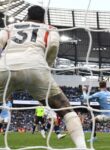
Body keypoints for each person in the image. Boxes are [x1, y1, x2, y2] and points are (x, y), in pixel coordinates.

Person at [0, 5, 86, 149]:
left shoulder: (11, 26)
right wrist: (46, 66)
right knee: (64, 108)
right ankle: (82, 147)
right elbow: (52, 45)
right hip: (35, 66)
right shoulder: (49, 28)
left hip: (5, 67)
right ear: (43, 17)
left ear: (27, 15)